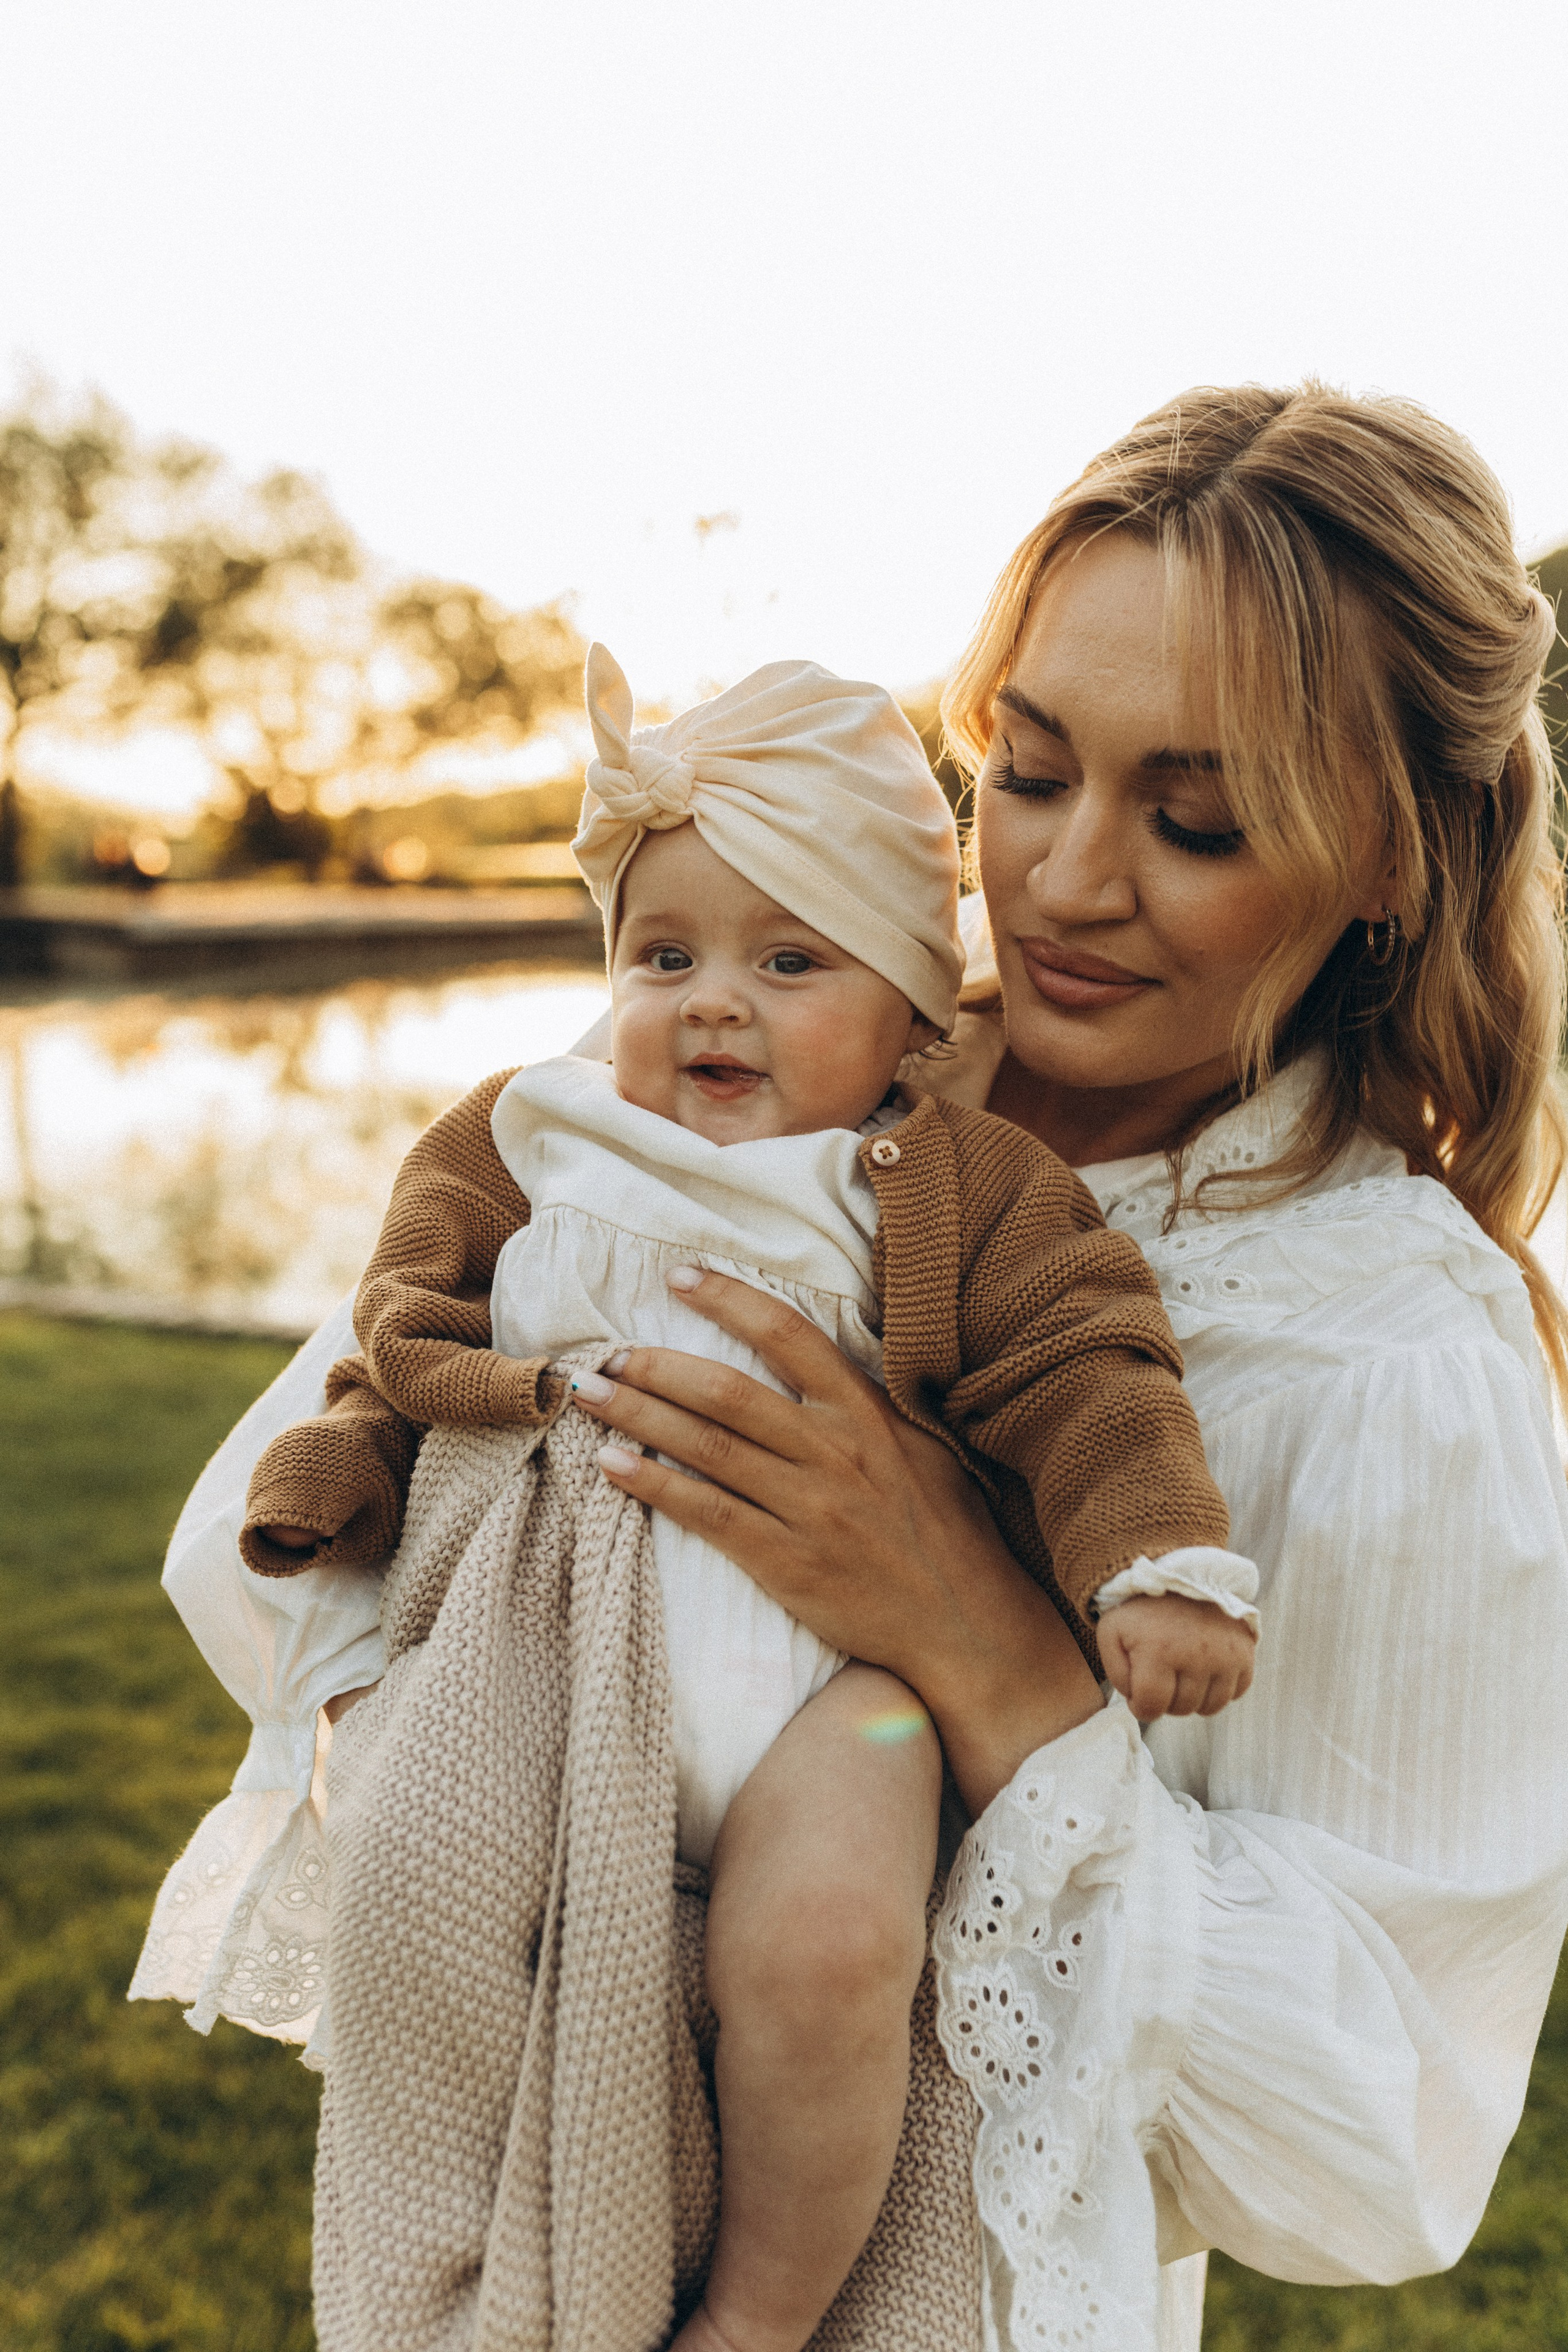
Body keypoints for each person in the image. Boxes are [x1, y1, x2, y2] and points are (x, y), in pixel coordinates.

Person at [132, 381, 1568, 2352]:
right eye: (1032, 772)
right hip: (537, 2173)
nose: (1063, 880)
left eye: (1199, 818)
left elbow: (1381, 2141)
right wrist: (531, 1765)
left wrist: (978, 1649)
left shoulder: (1391, 1341)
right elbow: (252, 1545)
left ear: (1392, 857)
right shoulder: (776, 1061)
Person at [242, 642, 1257, 2352]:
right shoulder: (531, 1130)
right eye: (666, 955)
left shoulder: (956, 1185)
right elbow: (405, 1324)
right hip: (553, 1646)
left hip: (841, 1698)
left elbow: (1093, 1368)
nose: (713, 1000)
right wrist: (336, 1476)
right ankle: (436, 2281)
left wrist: (1152, 1554)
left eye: (791, 958)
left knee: (839, 1952)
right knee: (414, 1880)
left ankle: (767, 2313)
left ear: (917, 1012)